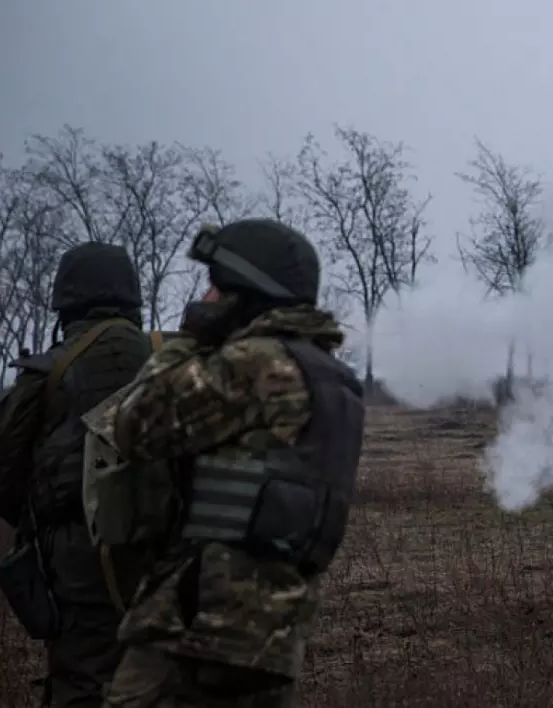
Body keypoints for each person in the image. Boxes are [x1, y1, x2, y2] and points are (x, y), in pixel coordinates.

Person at [92, 219, 365, 707]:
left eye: (216, 286)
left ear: (245, 291)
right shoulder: (335, 380)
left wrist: (190, 336)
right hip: (272, 636)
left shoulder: (256, 364)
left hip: (192, 630)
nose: (207, 295)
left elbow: (134, 423)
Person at [0, 242, 155, 706]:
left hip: (79, 559)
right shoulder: (171, 360)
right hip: (167, 552)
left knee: (82, 680)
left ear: (65, 301)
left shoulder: (48, 372)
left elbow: (3, 482)